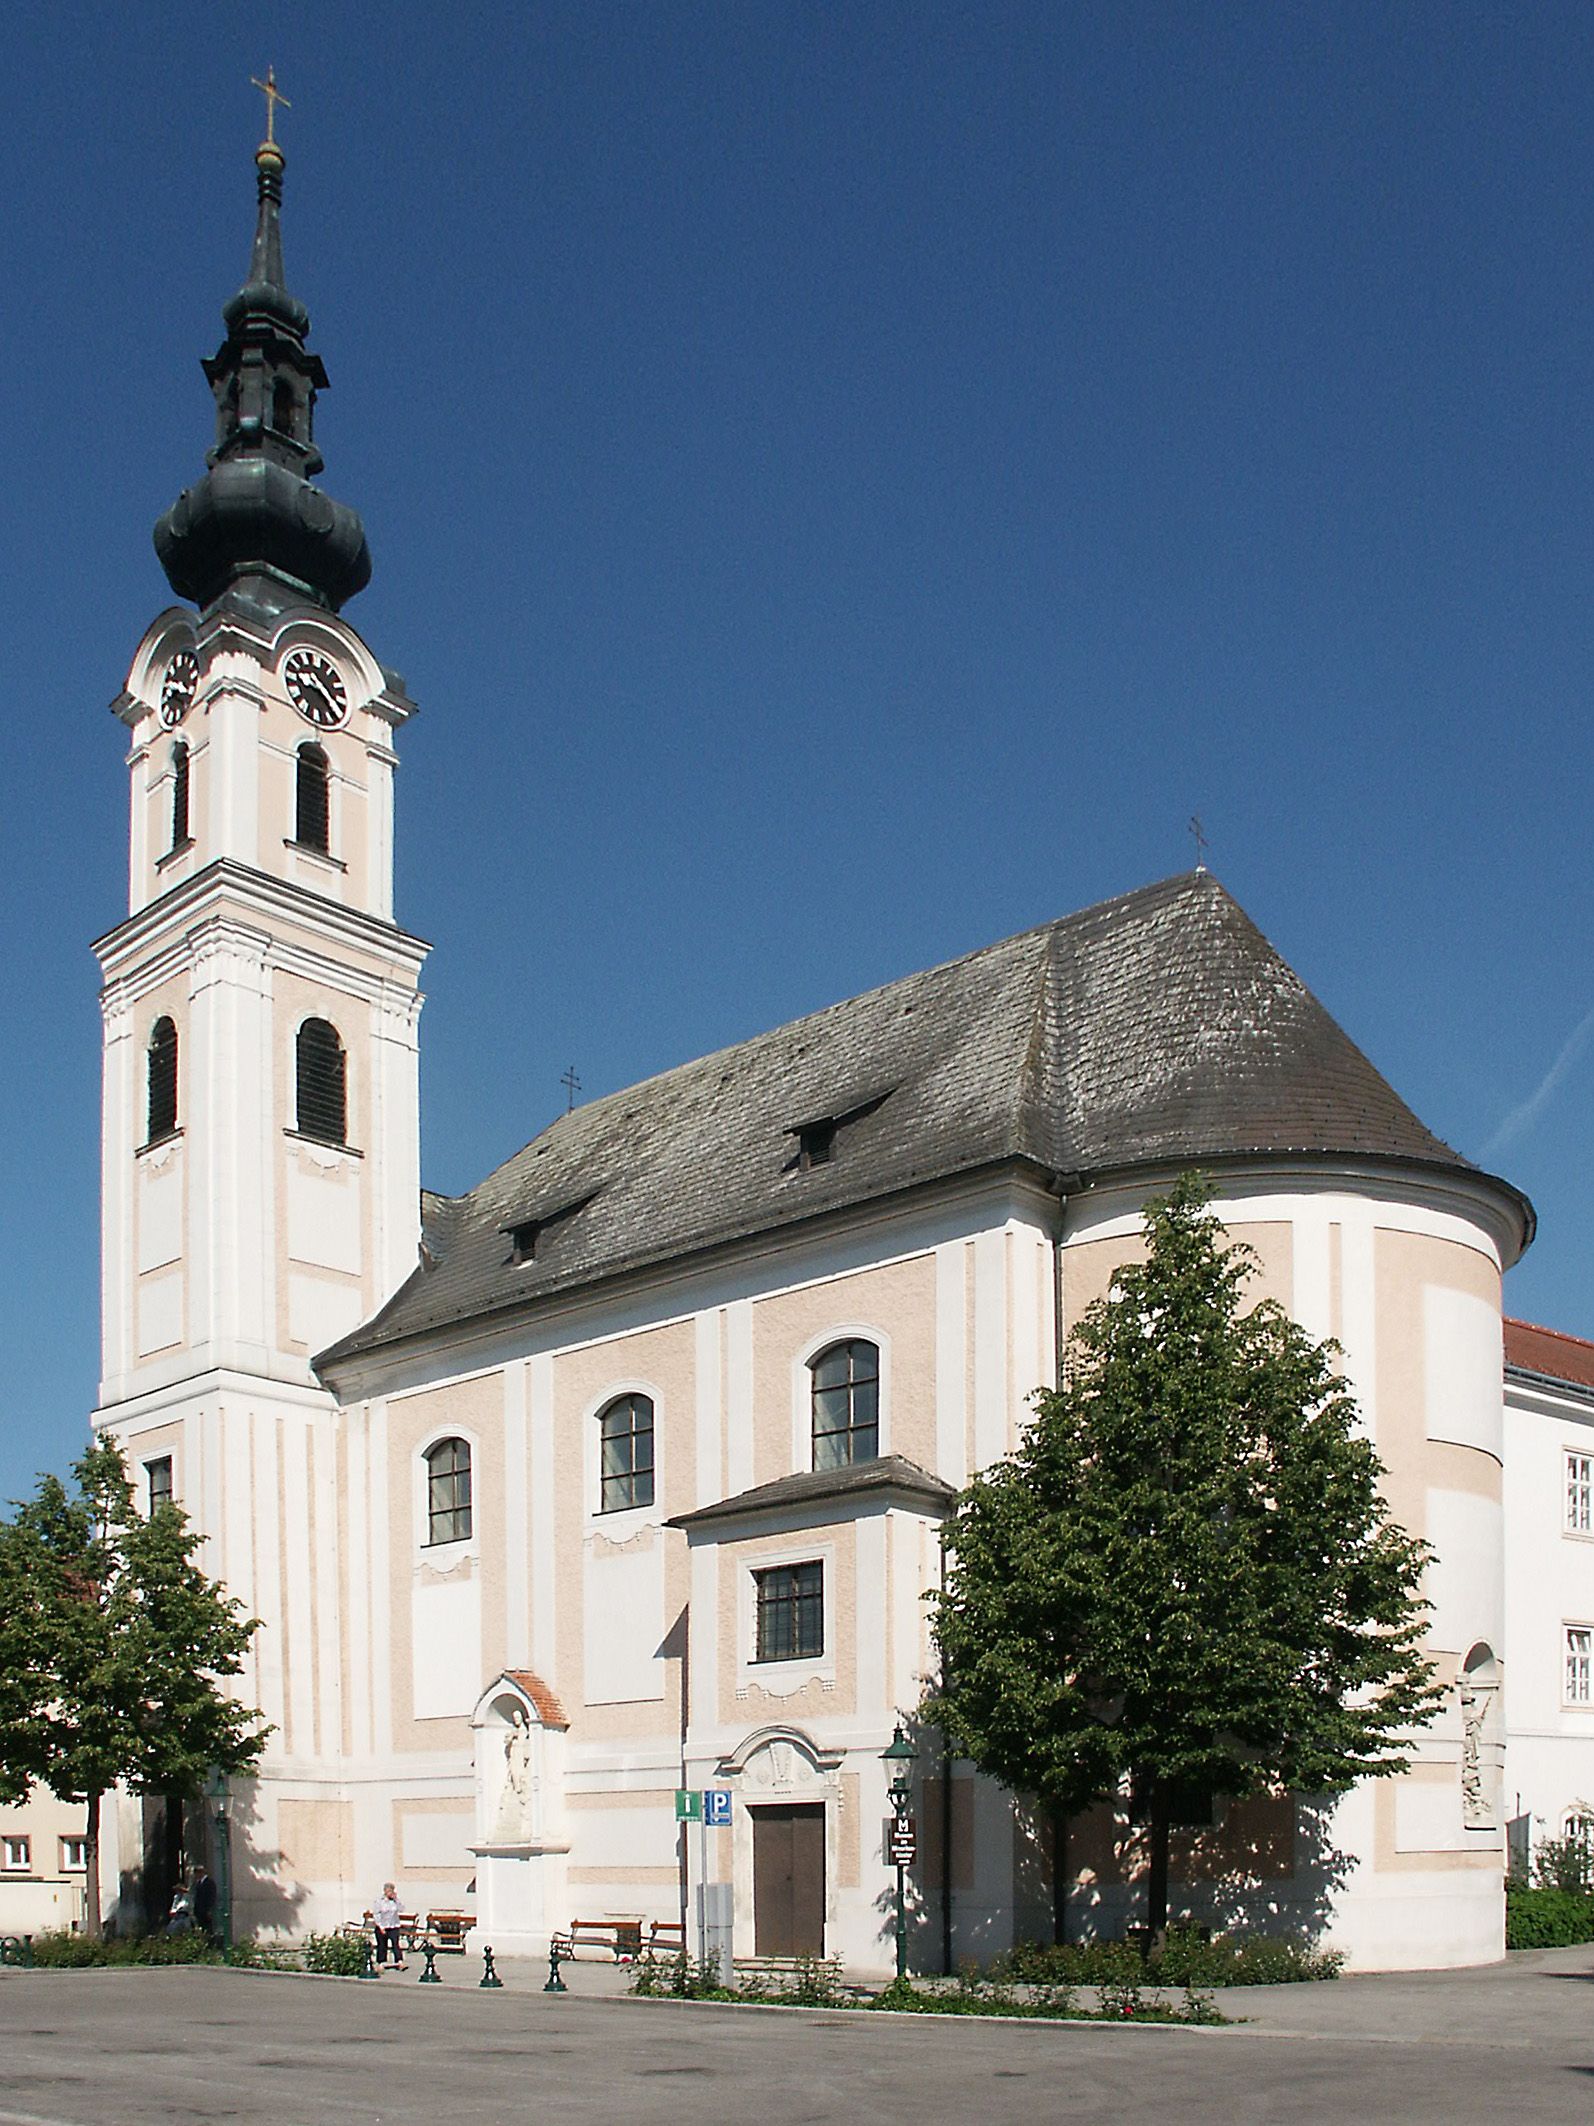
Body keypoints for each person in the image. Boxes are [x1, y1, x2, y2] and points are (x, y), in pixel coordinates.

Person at [372, 1882, 404, 1969]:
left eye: (392, 1891)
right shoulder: (380, 1901)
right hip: (382, 1926)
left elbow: (401, 1909)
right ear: (385, 1891)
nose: (391, 1893)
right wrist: (381, 1927)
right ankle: (381, 1962)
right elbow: (376, 1914)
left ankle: (399, 1961)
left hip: (393, 1925)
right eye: (389, 1891)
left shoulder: (394, 1901)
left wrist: (396, 1900)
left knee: (395, 1944)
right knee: (382, 1945)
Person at [191, 1867, 218, 1940]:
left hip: (206, 1909)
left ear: (201, 1873)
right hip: (199, 1910)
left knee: (208, 1928)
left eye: (196, 1874)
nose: (196, 1876)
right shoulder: (198, 1883)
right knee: (201, 1927)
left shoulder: (209, 1882)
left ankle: (210, 1942)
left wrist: (209, 1909)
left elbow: (212, 1897)